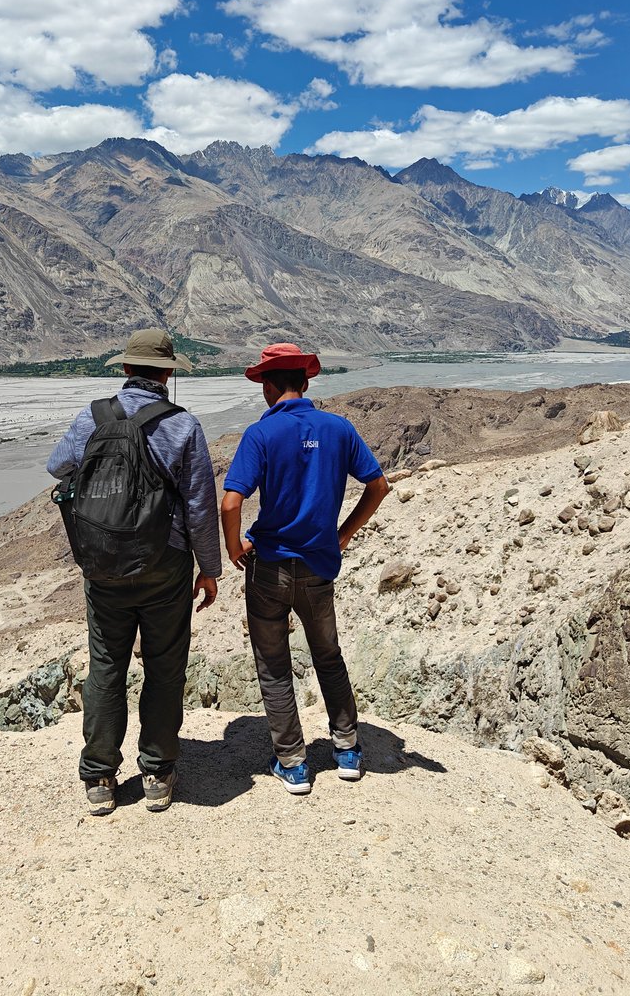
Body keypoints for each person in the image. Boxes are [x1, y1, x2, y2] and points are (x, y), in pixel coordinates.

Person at [47, 329, 221, 814]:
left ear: (125, 370)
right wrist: (209, 570)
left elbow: (57, 465)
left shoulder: (93, 415)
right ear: (167, 374)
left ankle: (100, 776)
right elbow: (200, 506)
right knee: (164, 666)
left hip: (102, 564)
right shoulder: (182, 426)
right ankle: (157, 772)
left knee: (106, 665)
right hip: (164, 565)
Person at [220, 343, 388, 795]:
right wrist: (344, 533)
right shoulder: (338, 428)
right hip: (318, 566)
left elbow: (231, 500)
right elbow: (378, 485)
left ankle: (293, 763)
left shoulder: (261, 434)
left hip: (269, 567)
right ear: (306, 382)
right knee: (328, 655)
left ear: (269, 386)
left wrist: (235, 547)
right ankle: (348, 750)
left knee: (274, 665)